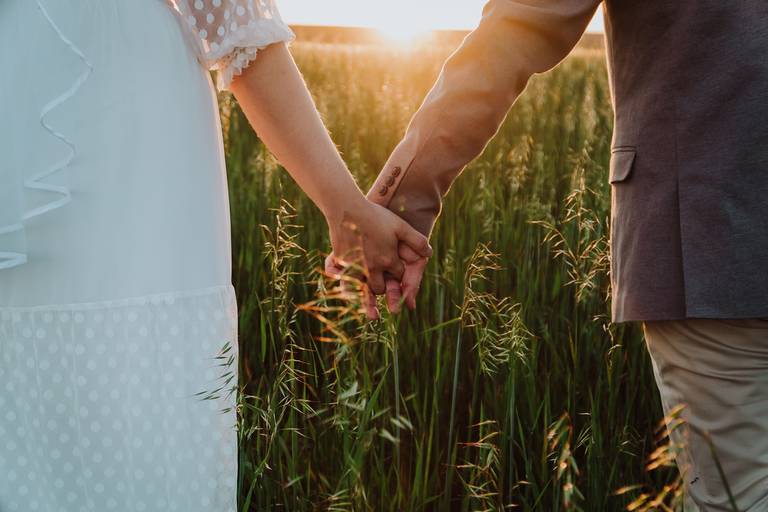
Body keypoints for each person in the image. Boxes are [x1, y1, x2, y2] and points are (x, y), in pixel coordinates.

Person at [329, 1, 768, 510]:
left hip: (711, 238)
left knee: (741, 496)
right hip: (716, 242)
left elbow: (517, 28)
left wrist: (401, 203)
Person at [0, 1, 430, 510]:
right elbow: (235, 21)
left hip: (113, 132)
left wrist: (348, 210)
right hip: (124, 113)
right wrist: (345, 209)